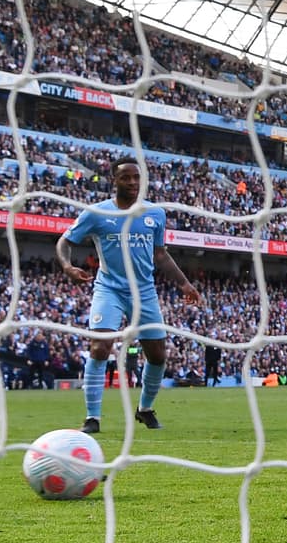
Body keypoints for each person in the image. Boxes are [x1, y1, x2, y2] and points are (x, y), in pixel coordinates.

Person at [56, 158, 204, 434]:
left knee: (157, 355)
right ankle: (92, 418)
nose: (133, 183)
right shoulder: (96, 213)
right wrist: (67, 266)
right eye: (126, 178)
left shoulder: (155, 214)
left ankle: (145, 409)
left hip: (144, 291)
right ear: (115, 180)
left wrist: (184, 284)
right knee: (100, 347)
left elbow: (160, 254)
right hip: (108, 288)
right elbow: (65, 241)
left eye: (137, 178)